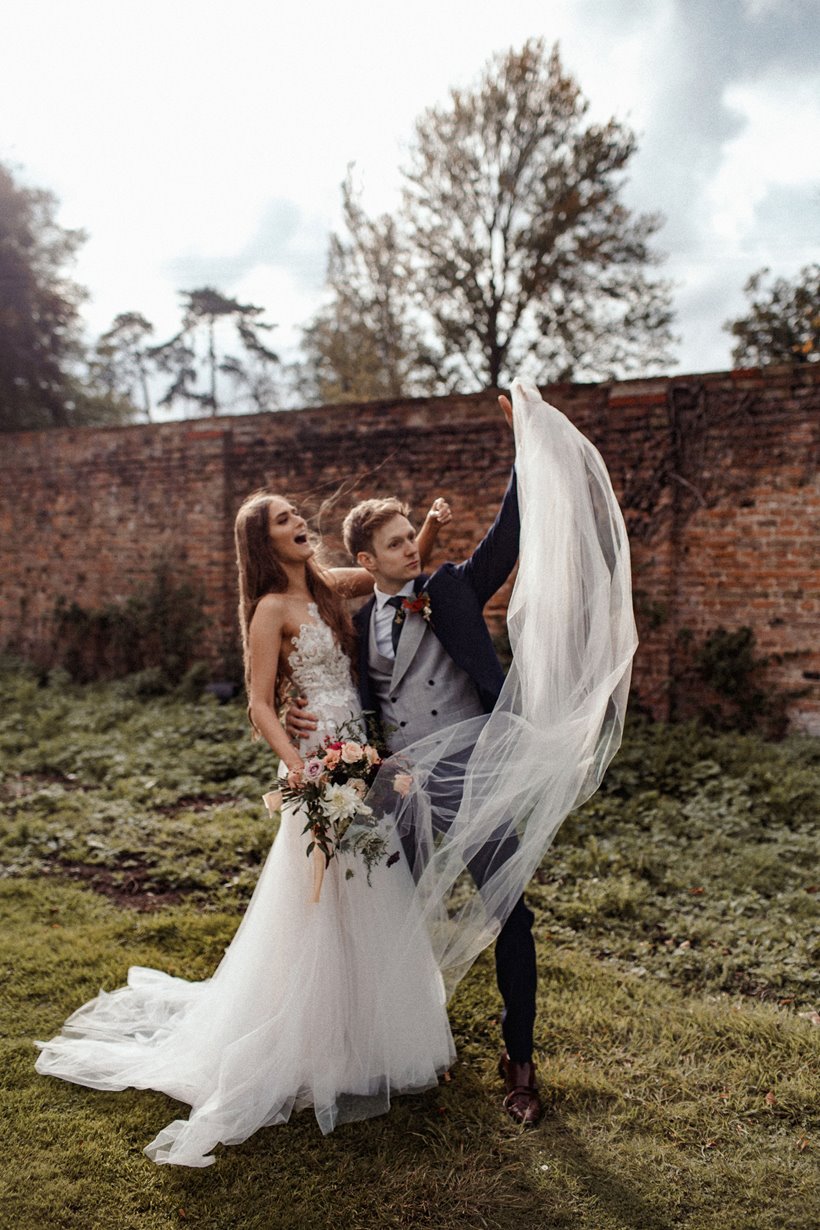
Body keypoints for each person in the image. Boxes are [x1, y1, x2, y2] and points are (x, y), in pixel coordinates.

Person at [34, 487, 457, 1168]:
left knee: (378, 889)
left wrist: (429, 529)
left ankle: (383, 1039)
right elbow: (260, 704)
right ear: (264, 542)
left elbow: (390, 572)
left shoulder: (327, 587)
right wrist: (297, 765)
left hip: (365, 759)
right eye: (285, 520)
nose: (300, 523)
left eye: (297, 515)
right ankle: (322, 1047)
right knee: (323, 909)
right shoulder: (268, 610)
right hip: (320, 767)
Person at [287, 392, 543, 1125]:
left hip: (474, 770)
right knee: (385, 914)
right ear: (367, 561)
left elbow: (509, 531)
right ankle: (383, 1048)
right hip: (399, 785)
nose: (412, 547)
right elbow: (305, 665)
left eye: (411, 536)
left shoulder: (454, 588)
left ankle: (519, 1060)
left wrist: (525, 446)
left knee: (510, 915)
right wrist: (290, 709)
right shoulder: (356, 617)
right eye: (396, 542)